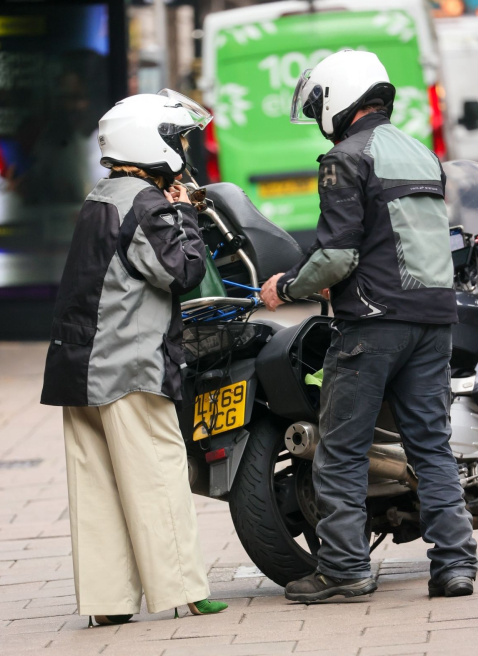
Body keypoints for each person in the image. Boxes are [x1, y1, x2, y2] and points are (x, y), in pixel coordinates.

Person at [261, 50, 477, 603]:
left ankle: (344, 570)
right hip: (434, 322)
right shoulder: (420, 152)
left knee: (340, 450)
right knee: (430, 447)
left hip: (373, 326)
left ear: (338, 97)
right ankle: (454, 567)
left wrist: (285, 288)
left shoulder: (344, 159)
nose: (317, 118)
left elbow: (335, 256)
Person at [40, 90, 228, 625]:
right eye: (176, 139)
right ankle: (184, 590)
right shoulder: (146, 204)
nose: (182, 150)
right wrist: (186, 213)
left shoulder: (102, 195)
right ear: (152, 143)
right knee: (158, 475)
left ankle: (107, 604)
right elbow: (182, 272)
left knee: (95, 486)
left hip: (77, 366)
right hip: (128, 367)